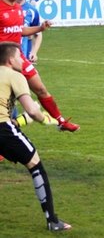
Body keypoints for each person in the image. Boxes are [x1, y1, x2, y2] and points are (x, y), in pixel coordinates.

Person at [0, 42, 71, 231]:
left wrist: (21, 121)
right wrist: (46, 119)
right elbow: (32, 110)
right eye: (18, 57)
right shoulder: (16, 76)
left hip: (5, 126)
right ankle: (52, 220)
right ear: (10, 60)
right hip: (2, 129)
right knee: (35, 165)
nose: (22, 61)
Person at [0, 0, 79, 131]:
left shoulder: (18, 9)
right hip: (3, 60)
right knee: (6, 103)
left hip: (18, 57)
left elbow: (20, 30)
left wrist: (40, 28)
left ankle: (61, 122)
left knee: (41, 89)